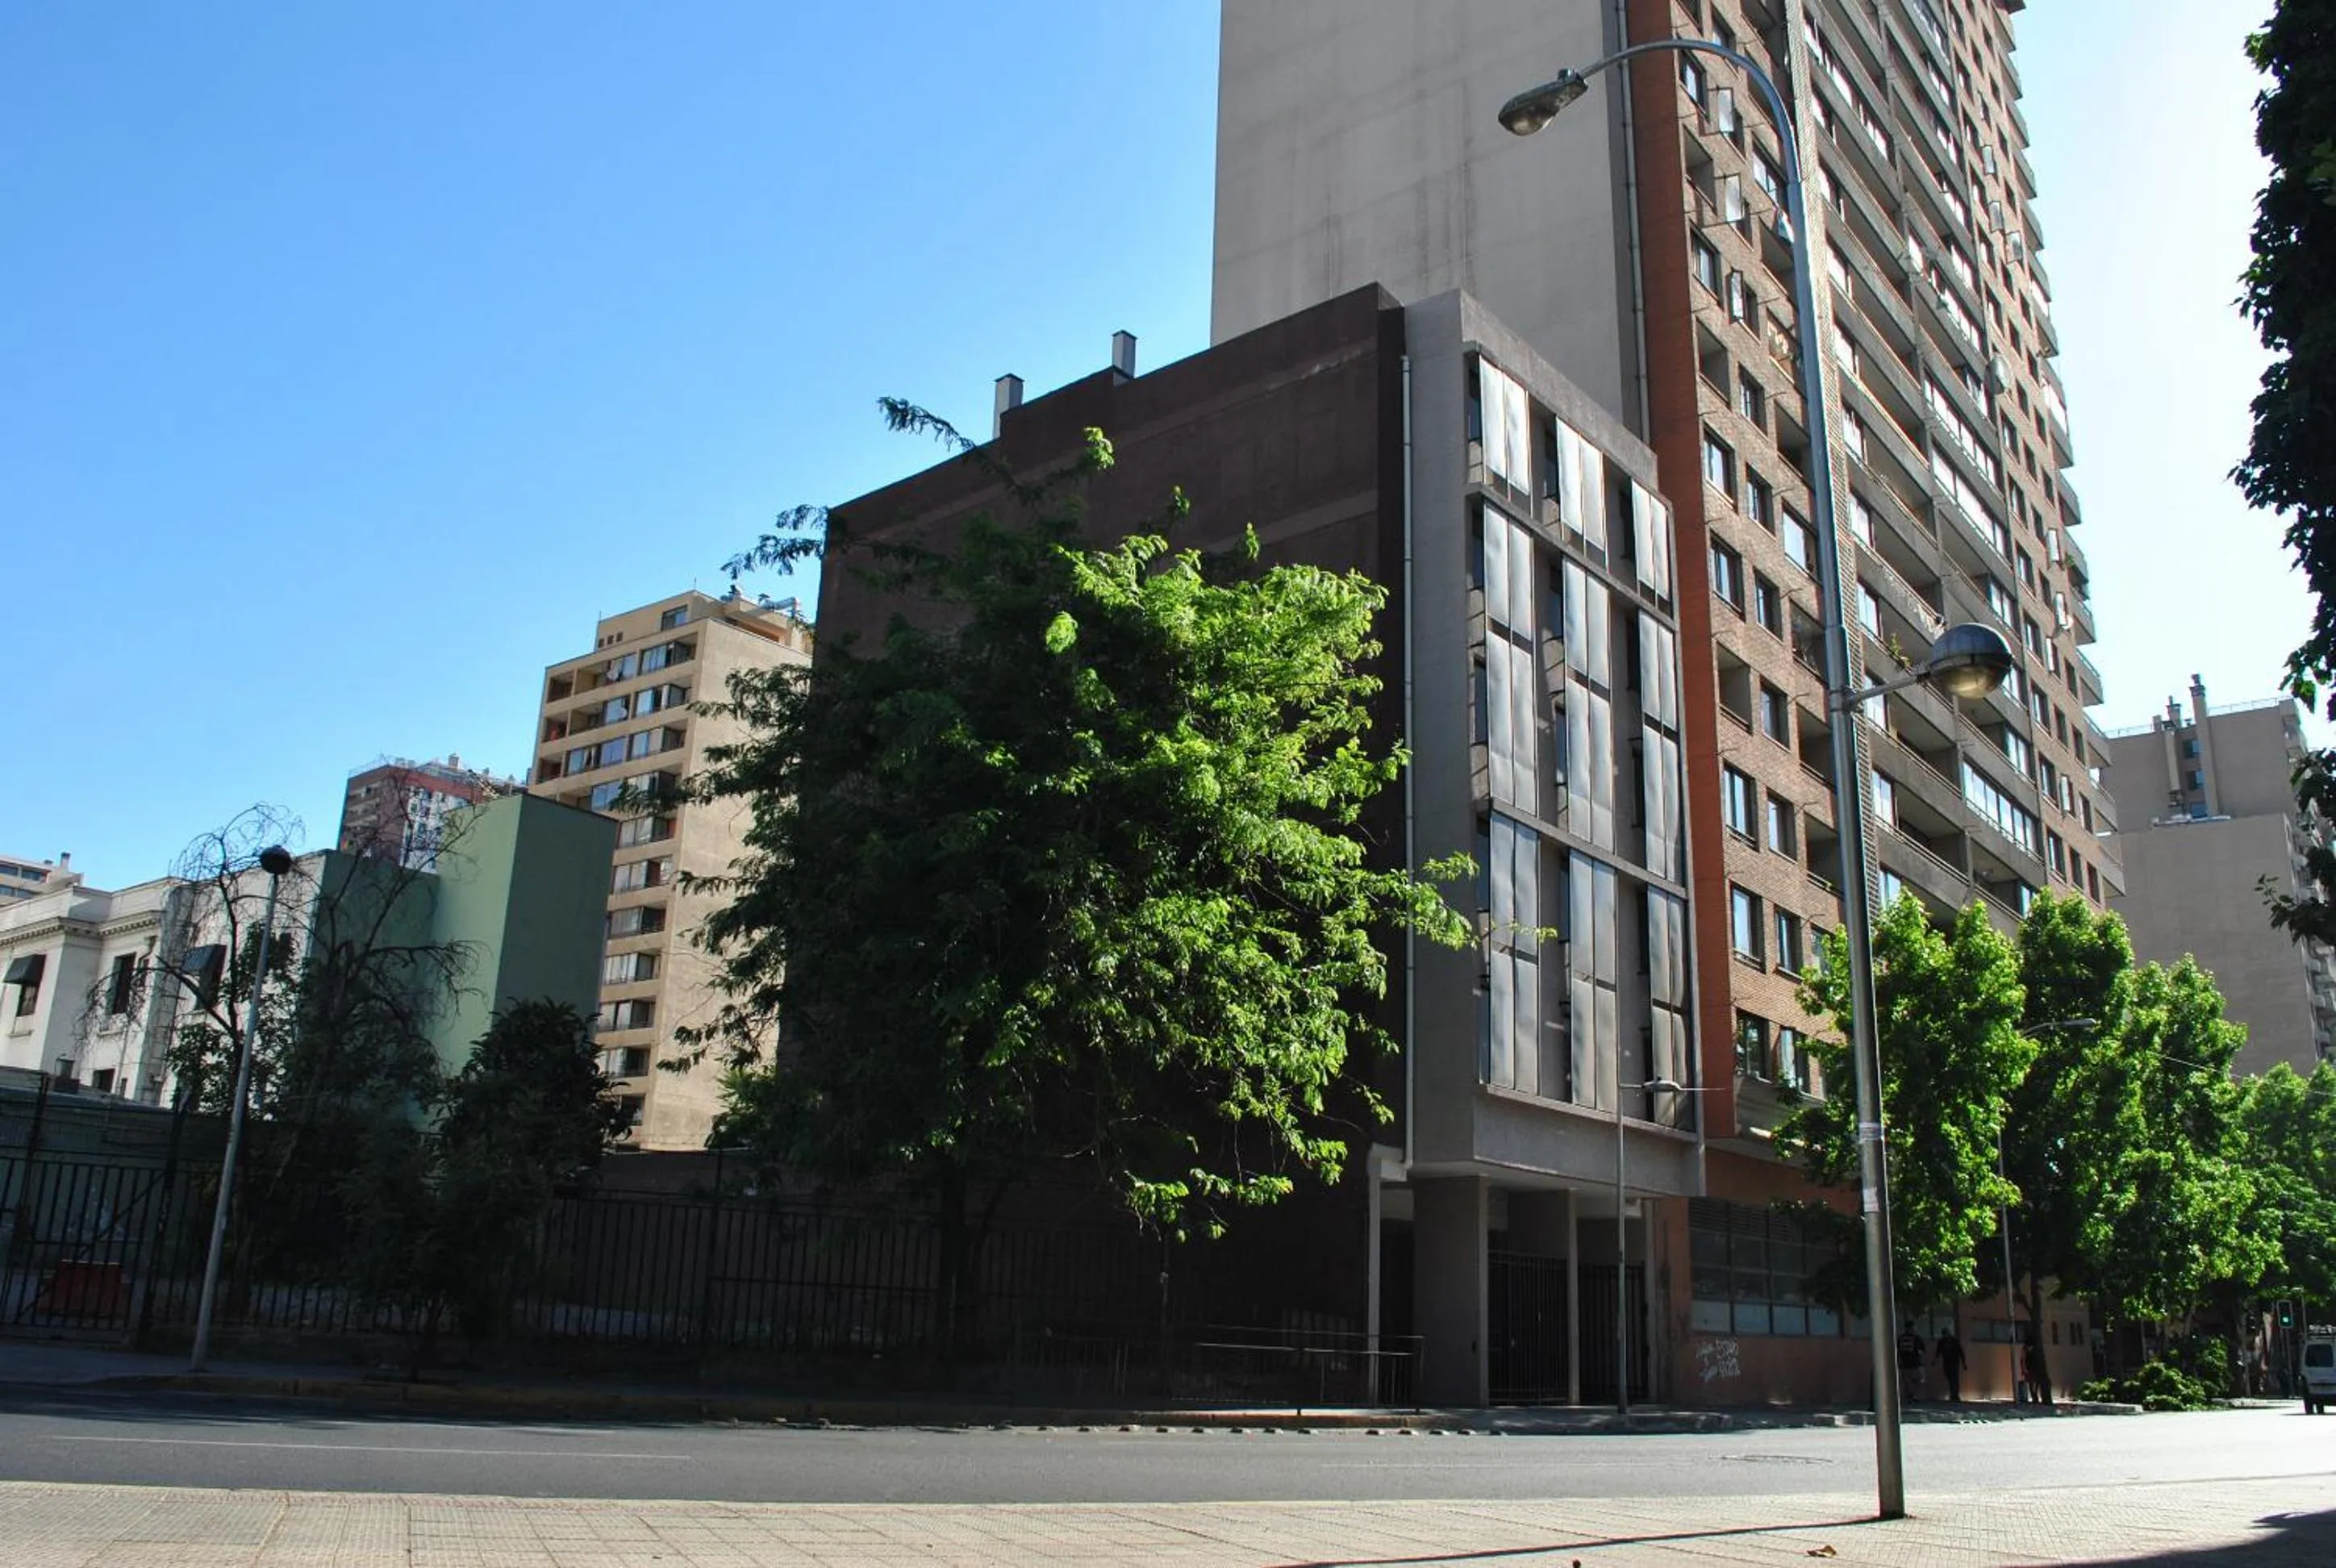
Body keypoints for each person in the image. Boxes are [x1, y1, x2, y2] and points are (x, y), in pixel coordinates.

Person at [1934, 1325, 1967, 1402]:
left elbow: (1961, 1352)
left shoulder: (1954, 1341)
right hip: (1947, 1362)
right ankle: (1953, 1394)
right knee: (1950, 1378)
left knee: (1954, 1379)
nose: (1945, 1336)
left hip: (1954, 1362)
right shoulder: (1942, 1342)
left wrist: (1964, 1363)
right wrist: (1935, 1360)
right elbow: (1938, 1352)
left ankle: (1955, 1395)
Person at [1897, 1320, 1926, 1402]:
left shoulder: (1901, 1338)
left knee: (1907, 1381)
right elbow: (1923, 1350)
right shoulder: (1917, 1338)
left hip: (1904, 1363)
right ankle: (1913, 1395)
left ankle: (1909, 1395)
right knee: (1920, 1379)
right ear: (1912, 1328)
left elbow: (1897, 1350)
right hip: (1916, 1363)